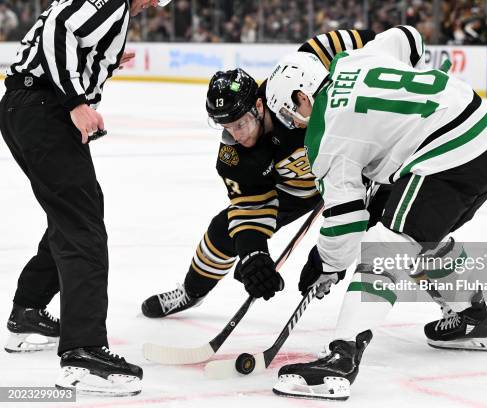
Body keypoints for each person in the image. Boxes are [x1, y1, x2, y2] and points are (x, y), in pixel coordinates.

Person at [265, 24, 487, 400]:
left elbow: (346, 222)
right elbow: (407, 35)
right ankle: (470, 318)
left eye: (290, 114)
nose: (294, 124)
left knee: (388, 244)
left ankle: (342, 356)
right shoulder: (353, 60)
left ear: (302, 95)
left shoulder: (325, 137)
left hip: (449, 152)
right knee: (416, 236)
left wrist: (328, 264)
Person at [140, 29, 377, 317]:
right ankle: (192, 291)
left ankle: (449, 304)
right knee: (222, 231)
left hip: (358, 165)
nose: (235, 135)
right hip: (297, 189)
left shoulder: (294, 81)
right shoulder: (235, 155)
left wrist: (395, 55)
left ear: (260, 106)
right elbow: (251, 207)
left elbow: (351, 41)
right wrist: (255, 255)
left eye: (239, 124)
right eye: (226, 127)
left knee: (408, 225)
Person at [1, 0, 171, 397]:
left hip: (27, 108)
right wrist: (76, 101)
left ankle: (28, 311)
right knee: (83, 229)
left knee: (76, 214)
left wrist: (104, 62)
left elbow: (64, 34)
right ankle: (83, 353)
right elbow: (58, 28)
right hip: (44, 110)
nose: (153, 4)